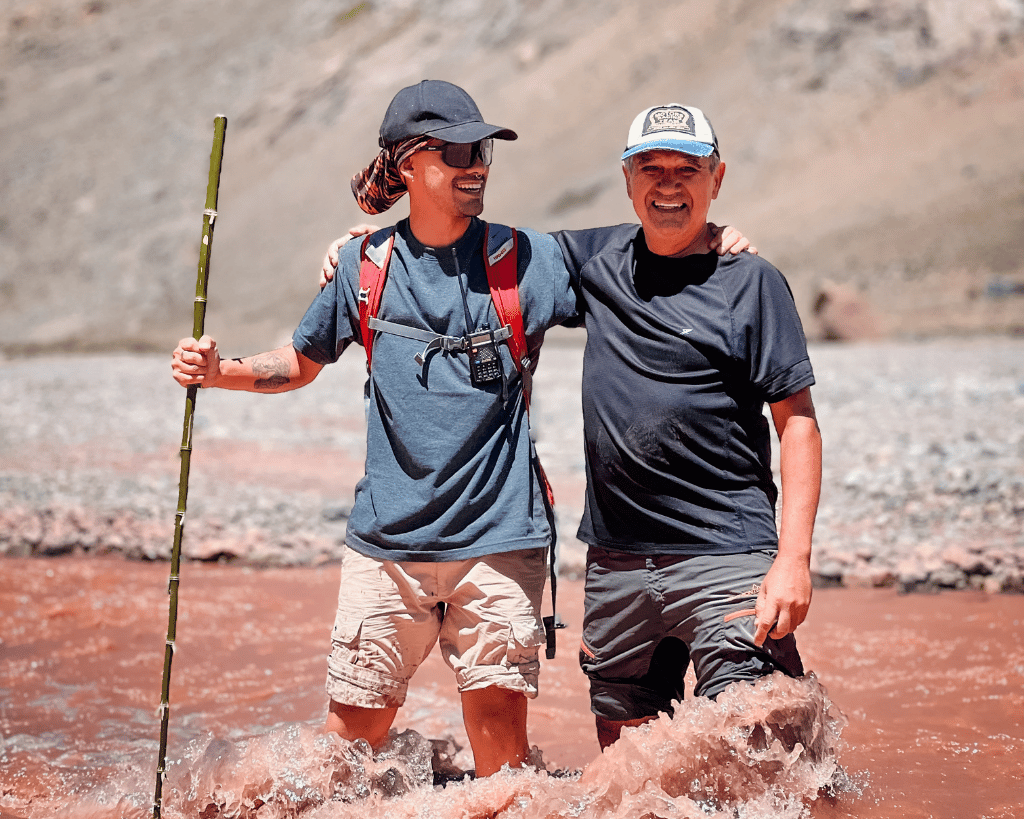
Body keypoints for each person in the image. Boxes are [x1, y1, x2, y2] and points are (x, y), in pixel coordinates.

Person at [323, 103, 821, 751]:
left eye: (688, 170)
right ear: (627, 177)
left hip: (727, 554)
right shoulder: (590, 257)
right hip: (616, 562)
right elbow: (455, 243)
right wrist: (356, 247)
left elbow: (799, 425)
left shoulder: (752, 281)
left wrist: (795, 560)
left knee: (764, 741)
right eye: (652, 167)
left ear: (716, 178)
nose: (669, 183)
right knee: (630, 766)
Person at [172, 80, 579, 776]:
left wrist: (720, 238)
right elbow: (299, 361)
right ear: (410, 164)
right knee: (343, 755)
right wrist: (220, 371)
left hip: (501, 542)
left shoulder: (526, 258)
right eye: (456, 150)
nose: (475, 163)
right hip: (386, 550)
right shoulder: (365, 267)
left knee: (505, 768)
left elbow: (635, 267)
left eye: (480, 147)